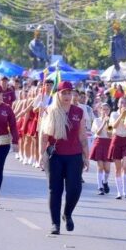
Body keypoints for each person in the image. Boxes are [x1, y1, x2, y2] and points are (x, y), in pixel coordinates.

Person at [39, 81, 89, 235]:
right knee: (55, 190)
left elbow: (82, 135)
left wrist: (86, 156)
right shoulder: (50, 111)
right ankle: (55, 224)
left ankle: (67, 213)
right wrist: (41, 154)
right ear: (58, 94)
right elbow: (44, 135)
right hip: (55, 156)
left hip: (74, 155)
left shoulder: (78, 112)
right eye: (64, 93)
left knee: (75, 189)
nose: (67, 96)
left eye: (69, 93)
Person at [107, 97, 126, 200]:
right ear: (118, 104)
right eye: (121, 102)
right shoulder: (114, 114)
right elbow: (113, 126)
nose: (123, 104)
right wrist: (121, 114)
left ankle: (125, 189)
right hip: (116, 139)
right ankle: (119, 191)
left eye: (125, 102)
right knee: (118, 168)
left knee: (125, 166)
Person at [90, 103, 112, 195]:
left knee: (107, 168)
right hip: (99, 142)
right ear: (100, 110)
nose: (105, 111)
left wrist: (108, 124)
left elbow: (109, 134)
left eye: (107, 109)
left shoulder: (111, 121)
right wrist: (103, 122)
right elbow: (98, 132)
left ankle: (105, 182)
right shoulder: (96, 120)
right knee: (100, 166)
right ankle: (100, 187)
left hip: (107, 143)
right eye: (103, 109)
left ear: (109, 111)